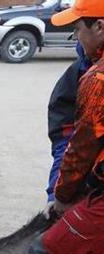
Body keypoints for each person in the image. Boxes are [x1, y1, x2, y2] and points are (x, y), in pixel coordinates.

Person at [0, 0, 104, 254]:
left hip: (100, 194)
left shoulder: (98, 79)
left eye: (77, 28)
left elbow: (81, 151)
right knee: (94, 252)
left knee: (47, 250)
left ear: (98, 27)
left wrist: (63, 197)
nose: (74, 36)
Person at [46, 43, 91, 202]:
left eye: (77, 28)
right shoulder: (80, 72)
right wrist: (56, 195)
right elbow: (66, 142)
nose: (77, 38)